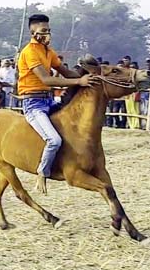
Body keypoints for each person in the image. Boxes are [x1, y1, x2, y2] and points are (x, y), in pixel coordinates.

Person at [17, 14, 94, 194]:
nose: (47, 34)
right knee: (54, 140)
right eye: (43, 31)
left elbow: (65, 71)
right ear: (33, 32)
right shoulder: (29, 52)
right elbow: (46, 79)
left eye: (49, 31)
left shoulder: (48, 51)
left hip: (48, 100)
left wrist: (90, 79)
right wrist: (79, 83)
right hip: (33, 103)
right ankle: (42, 173)